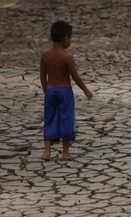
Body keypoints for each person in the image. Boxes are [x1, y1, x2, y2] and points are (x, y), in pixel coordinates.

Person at [40, 21, 93, 160]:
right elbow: (75, 77)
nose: (71, 41)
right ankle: (65, 152)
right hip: (64, 91)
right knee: (66, 119)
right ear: (65, 39)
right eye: (70, 38)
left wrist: (46, 90)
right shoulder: (67, 57)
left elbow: (42, 76)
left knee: (49, 119)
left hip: (51, 91)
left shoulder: (45, 55)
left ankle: (47, 152)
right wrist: (86, 90)